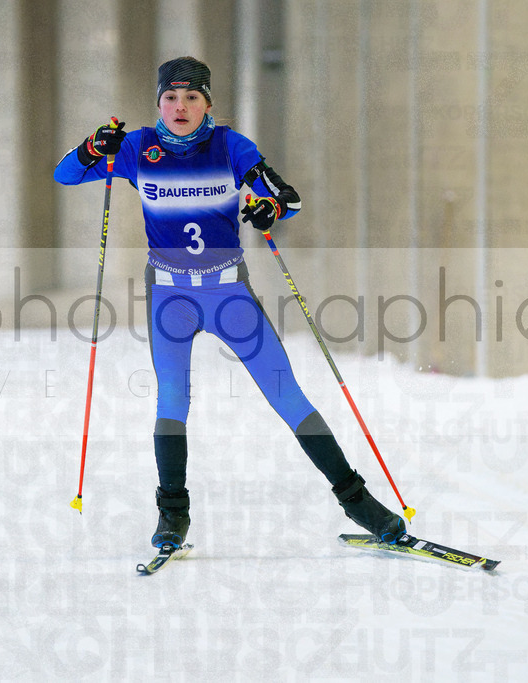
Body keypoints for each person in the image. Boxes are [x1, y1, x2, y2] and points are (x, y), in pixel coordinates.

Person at [54, 56, 405, 550]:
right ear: (158, 102)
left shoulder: (230, 145)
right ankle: (173, 516)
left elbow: (287, 196)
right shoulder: (136, 148)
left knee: (287, 394)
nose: (180, 106)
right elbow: (66, 175)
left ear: (208, 104)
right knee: (172, 399)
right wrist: (92, 145)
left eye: (191, 97)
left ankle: (360, 503)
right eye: (170, 97)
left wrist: (270, 207)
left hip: (229, 295)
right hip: (170, 297)